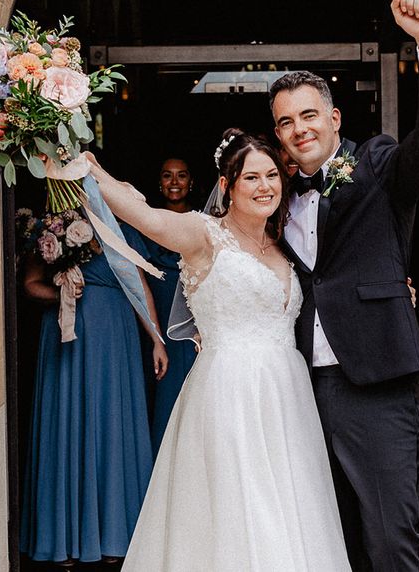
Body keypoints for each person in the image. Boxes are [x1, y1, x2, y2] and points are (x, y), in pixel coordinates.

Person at [86, 132, 351, 571]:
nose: (265, 185)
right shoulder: (202, 235)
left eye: (271, 175)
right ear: (227, 185)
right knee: (239, 511)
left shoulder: (285, 244)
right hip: (230, 394)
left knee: (291, 509)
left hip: (288, 399)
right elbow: (144, 215)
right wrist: (88, 169)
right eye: (252, 177)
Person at [270, 0, 419, 570]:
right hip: (297, 389)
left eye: (308, 115)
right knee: (325, 540)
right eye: (285, 123)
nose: (299, 129)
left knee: (389, 536)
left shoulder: (377, 164)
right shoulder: (271, 201)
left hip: (374, 383)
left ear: (334, 118)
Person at [20, 222, 168, 566]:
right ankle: (65, 540)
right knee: (67, 429)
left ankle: (116, 535)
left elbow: (139, 287)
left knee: (112, 428)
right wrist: (61, 293)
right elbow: (28, 285)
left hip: (114, 340)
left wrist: (157, 340)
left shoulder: (122, 230)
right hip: (67, 343)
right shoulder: (49, 228)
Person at [144, 157, 198, 456]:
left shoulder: (203, 223)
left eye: (181, 175)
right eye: (167, 176)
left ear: (192, 182)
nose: (174, 182)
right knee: (161, 396)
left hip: (193, 324)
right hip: (159, 318)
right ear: (159, 182)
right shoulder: (147, 224)